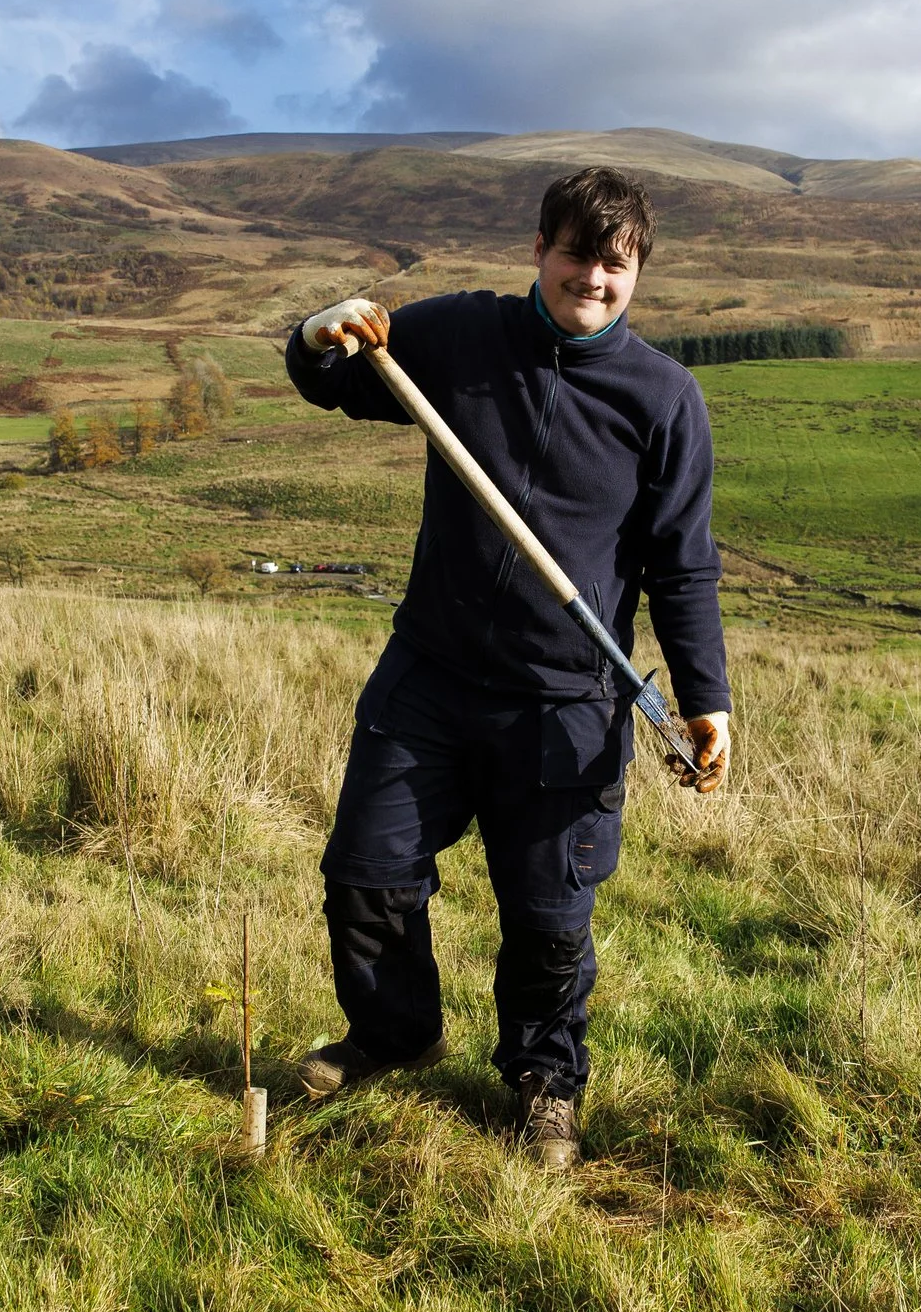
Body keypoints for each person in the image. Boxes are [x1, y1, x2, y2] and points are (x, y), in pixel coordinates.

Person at [283, 167, 731, 1173]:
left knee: (548, 921)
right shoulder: (458, 336)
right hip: (431, 675)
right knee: (365, 871)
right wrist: (320, 333)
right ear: (539, 250)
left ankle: (543, 1083)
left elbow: (683, 563)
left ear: (637, 273)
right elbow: (334, 380)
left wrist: (706, 702)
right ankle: (395, 1033)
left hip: (566, 703)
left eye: (615, 265)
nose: (592, 280)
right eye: (575, 255)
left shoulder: (663, 399)